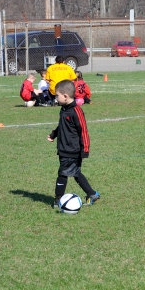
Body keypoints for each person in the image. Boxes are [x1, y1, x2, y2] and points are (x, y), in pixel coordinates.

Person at [47, 80, 100, 209]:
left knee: (63, 174)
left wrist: (85, 150)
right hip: (64, 148)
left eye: (57, 95)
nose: (56, 98)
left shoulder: (76, 111)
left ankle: (58, 199)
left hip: (73, 150)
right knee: (75, 173)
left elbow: (84, 131)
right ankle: (92, 193)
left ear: (65, 96)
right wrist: (54, 134)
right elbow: (63, 126)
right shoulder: (64, 109)